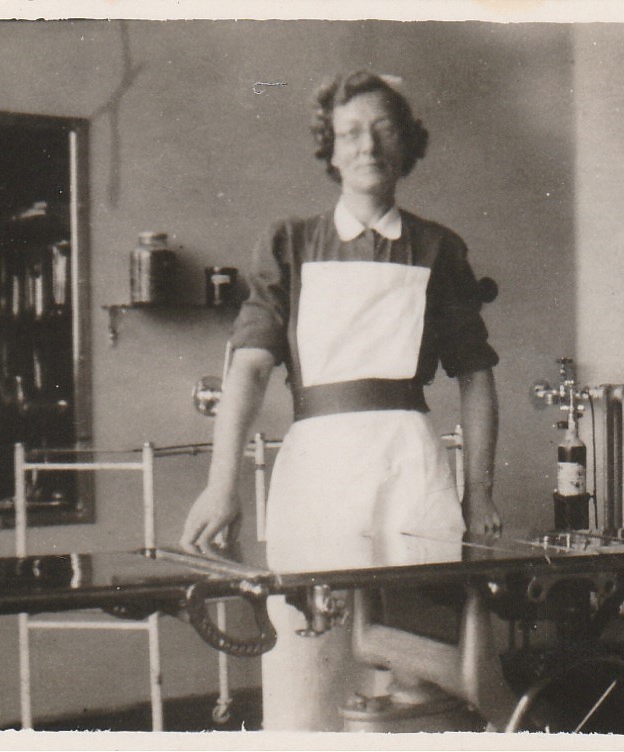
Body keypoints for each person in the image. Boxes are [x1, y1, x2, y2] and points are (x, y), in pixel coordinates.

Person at [180, 70, 502, 731]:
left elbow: (475, 376)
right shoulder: (291, 245)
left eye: (385, 130)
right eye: (351, 132)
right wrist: (221, 486)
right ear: (329, 148)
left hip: (408, 466)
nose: (368, 146)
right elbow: (247, 370)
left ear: (407, 145)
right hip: (319, 469)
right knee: (310, 646)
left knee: (420, 656)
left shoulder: (439, 249)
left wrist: (481, 493)